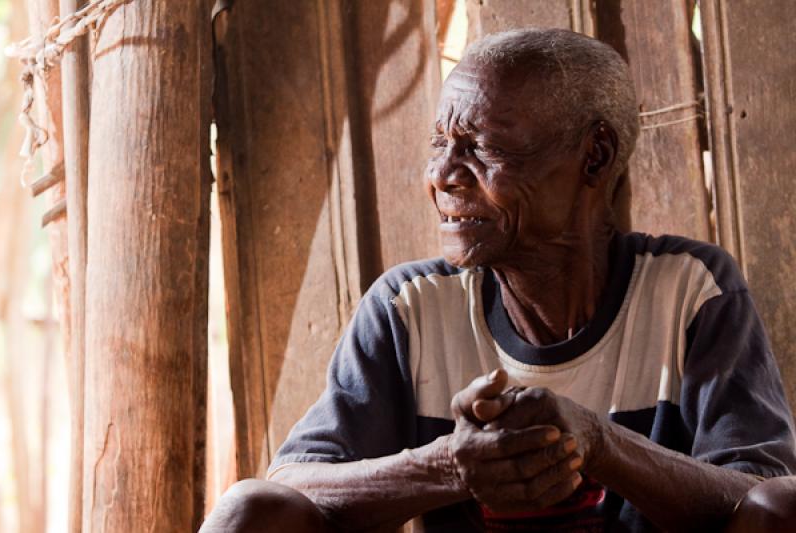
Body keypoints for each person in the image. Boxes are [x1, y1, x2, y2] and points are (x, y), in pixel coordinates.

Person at [201, 28, 796, 532]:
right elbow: (292, 481)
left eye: (481, 146)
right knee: (249, 511)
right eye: (440, 142)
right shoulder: (410, 308)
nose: (442, 175)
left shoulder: (689, 291)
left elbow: (764, 496)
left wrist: (599, 444)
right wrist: (450, 465)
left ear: (595, 157)